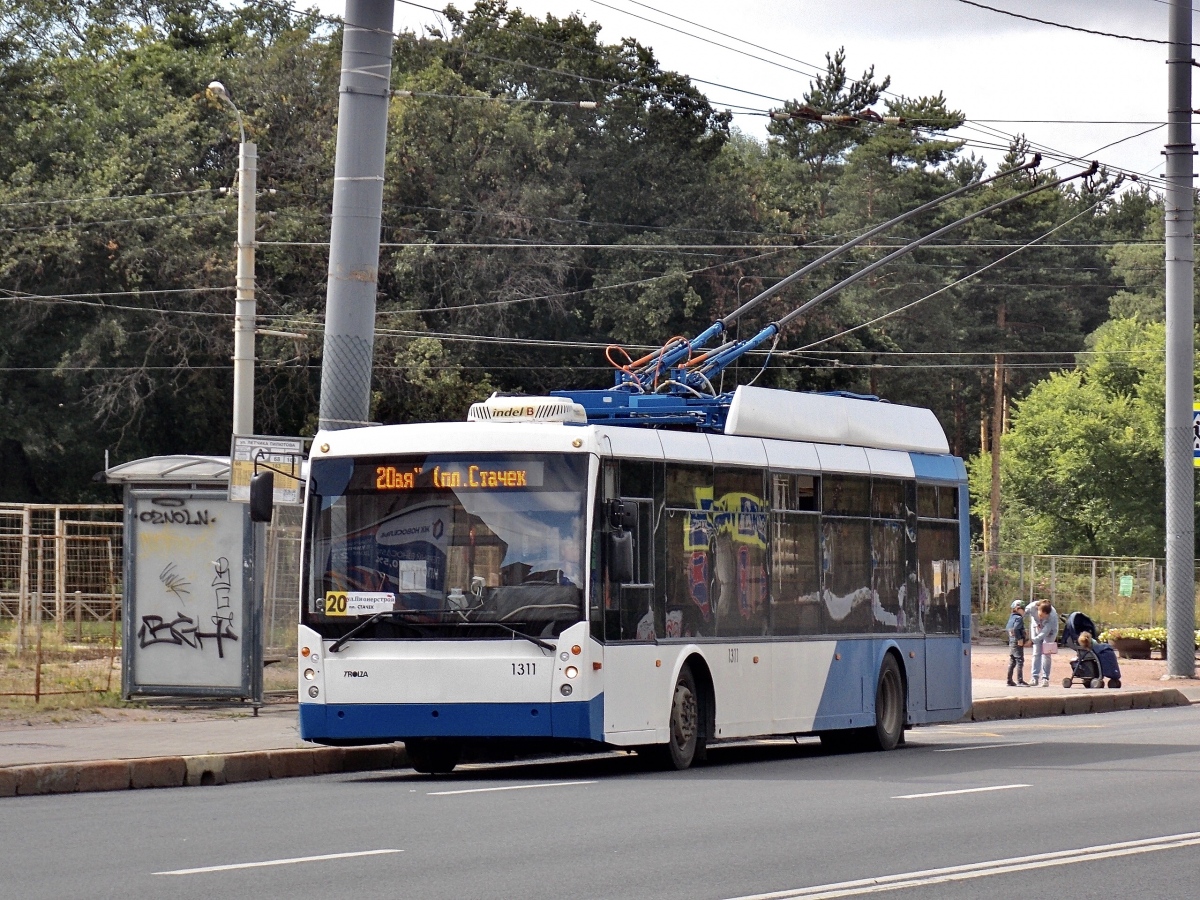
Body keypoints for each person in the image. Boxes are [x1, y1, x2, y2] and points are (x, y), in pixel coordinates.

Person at [1028, 599, 1059, 686]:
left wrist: (1032, 641)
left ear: (1048, 614)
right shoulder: (1032, 607)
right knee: (1036, 653)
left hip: (1050, 633)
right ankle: (1034, 678)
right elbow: (1023, 613)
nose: (1041, 618)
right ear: (1038, 609)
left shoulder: (1052, 616)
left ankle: (1045, 678)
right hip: (1036, 627)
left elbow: (1045, 632)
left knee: (1046, 654)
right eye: (1040, 615)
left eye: (1044, 616)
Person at [1005, 600, 1030, 687]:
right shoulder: (1019, 618)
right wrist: (1020, 638)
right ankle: (1020, 680)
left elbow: (1008, 628)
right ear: (1018, 609)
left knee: (1012, 661)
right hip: (1017, 641)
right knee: (1020, 660)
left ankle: (1009, 680)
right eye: (1023, 609)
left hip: (1012, 641)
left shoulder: (1011, 618)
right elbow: (1016, 629)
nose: (1024, 611)